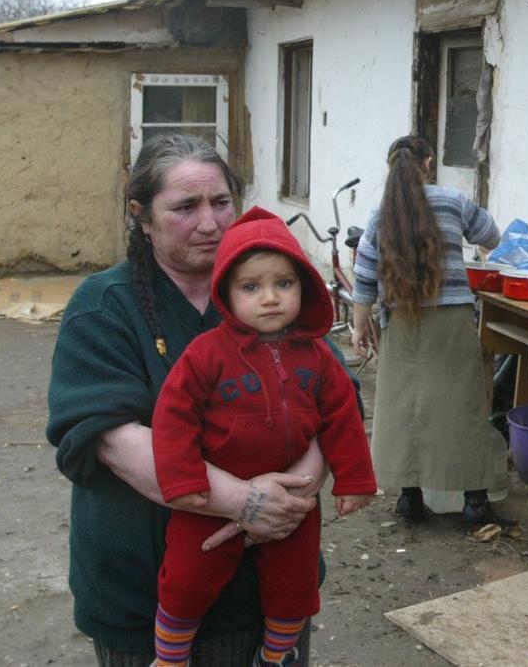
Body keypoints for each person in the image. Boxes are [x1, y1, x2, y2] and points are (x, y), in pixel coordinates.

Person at [48, 134, 327, 667]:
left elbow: (336, 400)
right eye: (185, 207)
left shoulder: (269, 291)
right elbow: (114, 443)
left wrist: (291, 496)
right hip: (148, 598)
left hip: (269, 592)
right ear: (141, 215)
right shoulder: (106, 307)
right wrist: (247, 503)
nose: (210, 223)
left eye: (221, 203)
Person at [151, 206, 378, 666]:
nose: (270, 298)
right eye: (251, 287)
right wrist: (182, 480)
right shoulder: (206, 353)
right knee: (186, 582)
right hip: (211, 496)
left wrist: (354, 480)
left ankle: (275, 658)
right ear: (226, 294)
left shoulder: (316, 354)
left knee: (295, 587)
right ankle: (170, 659)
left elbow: (342, 415)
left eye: (284, 284)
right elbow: (173, 415)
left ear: (305, 286)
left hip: (294, 502)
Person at [349, 135, 510, 526]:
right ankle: (474, 501)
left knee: (404, 410)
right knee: (462, 409)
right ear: (429, 162)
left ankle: (410, 499)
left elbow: (364, 274)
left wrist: (358, 327)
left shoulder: (379, 214)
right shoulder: (454, 201)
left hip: (401, 322)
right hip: (452, 320)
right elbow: (491, 236)